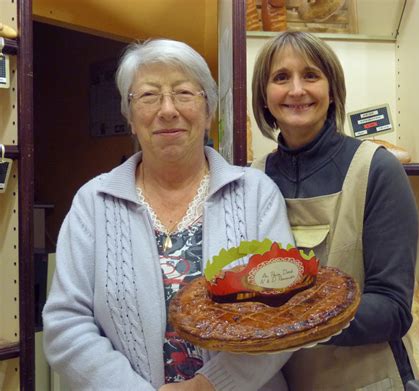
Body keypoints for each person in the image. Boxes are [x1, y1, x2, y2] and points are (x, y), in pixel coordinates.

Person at [42, 38, 295, 391]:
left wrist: (209, 385)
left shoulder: (256, 194)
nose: (167, 110)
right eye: (148, 96)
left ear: (208, 111)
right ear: (129, 117)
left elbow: (284, 311)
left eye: (184, 93)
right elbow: (65, 324)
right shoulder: (93, 202)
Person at [251, 31, 419, 390]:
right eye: (281, 77)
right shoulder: (253, 178)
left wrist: (290, 320)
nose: (296, 90)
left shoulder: (376, 169)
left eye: (310, 75)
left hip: (365, 378)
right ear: (264, 97)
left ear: (332, 91)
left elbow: (393, 308)